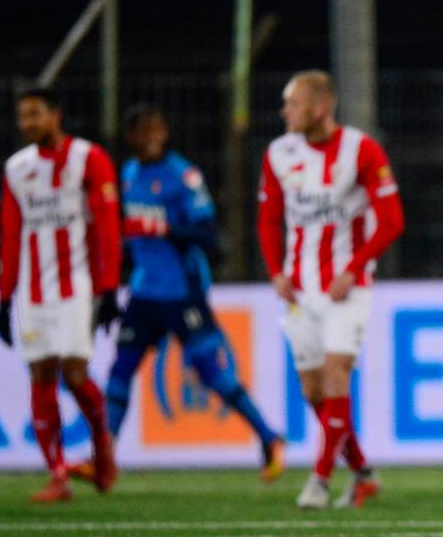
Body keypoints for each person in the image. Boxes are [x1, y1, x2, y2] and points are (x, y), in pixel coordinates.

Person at [70, 105, 285, 485]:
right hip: (144, 293)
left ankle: (270, 440)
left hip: (183, 293)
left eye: (157, 129)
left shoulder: (182, 175)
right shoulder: (130, 174)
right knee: (120, 371)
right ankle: (103, 458)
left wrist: (163, 227)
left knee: (213, 375)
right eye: (143, 131)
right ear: (132, 137)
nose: (152, 137)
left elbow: (208, 235)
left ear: (165, 133)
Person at [258, 70, 405, 509]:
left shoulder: (361, 150)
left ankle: (319, 482)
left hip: (348, 287)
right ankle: (362, 472)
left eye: (294, 104)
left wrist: (354, 267)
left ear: (321, 108)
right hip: (299, 289)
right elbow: (268, 218)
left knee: (335, 374)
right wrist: (275, 272)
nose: (286, 112)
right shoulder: (279, 153)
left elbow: (393, 219)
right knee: (312, 390)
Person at [0, 88, 119, 503]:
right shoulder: (16, 168)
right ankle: (58, 475)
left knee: (76, 374)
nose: (28, 123)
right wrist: (4, 298)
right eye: (22, 117)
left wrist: (109, 287)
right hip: (32, 294)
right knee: (41, 376)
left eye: (35, 115)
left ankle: (103, 450)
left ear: (56, 115)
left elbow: (106, 226)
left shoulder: (88, 158)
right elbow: (11, 235)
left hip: (76, 287)